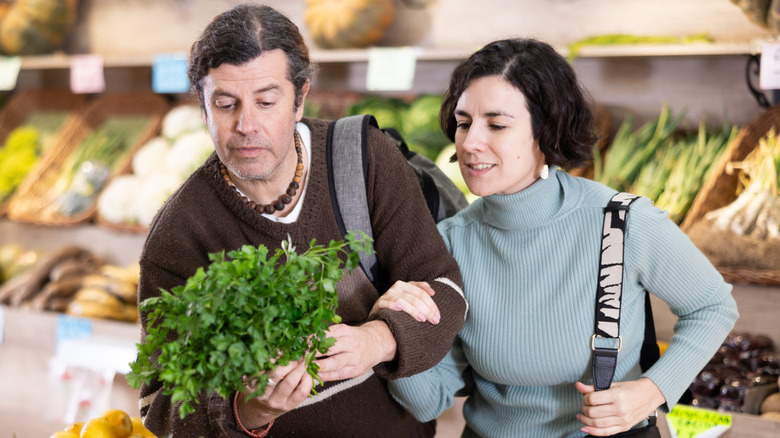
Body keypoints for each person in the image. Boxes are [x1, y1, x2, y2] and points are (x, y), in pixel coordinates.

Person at [372, 38, 739, 437]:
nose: (470, 143)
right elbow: (429, 399)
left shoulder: (620, 224)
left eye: (496, 124)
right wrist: (389, 329)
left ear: (547, 131)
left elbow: (713, 306)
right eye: (463, 123)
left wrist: (652, 391)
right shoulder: (449, 244)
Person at [136, 3, 467, 437]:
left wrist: (377, 340)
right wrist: (246, 410)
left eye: (267, 101)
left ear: (300, 97)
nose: (246, 125)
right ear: (202, 107)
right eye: (225, 103)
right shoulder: (179, 235)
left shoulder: (364, 160)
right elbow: (159, 405)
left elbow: (445, 289)